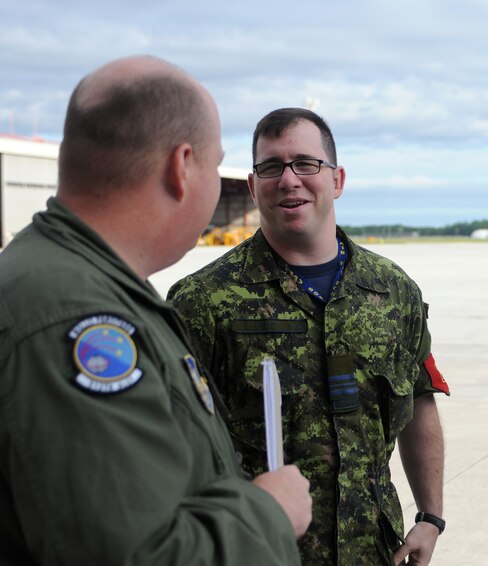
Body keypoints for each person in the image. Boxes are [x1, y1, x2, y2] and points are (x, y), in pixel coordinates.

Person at [0, 56, 313, 565]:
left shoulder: (87, 284)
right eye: (214, 165)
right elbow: (133, 554)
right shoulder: (76, 318)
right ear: (181, 166)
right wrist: (270, 512)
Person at [168, 107, 450, 565]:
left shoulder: (393, 292)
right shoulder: (203, 302)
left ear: (337, 180)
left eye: (305, 163)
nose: (288, 179)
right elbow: (169, 442)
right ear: (255, 184)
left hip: (375, 552)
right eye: (271, 167)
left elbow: (419, 402)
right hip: (258, 553)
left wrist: (431, 517)